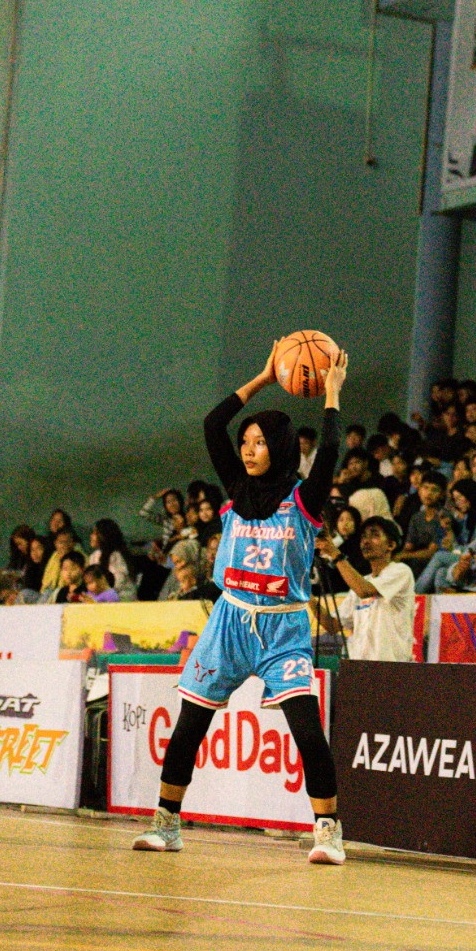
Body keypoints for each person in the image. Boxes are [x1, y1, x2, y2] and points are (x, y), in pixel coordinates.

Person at [132, 343, 349, 865]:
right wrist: (264, 378)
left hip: (282, 627)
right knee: (189, 725)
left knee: (306, 729)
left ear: (280, 446)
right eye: (245, 442)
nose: (248, 450)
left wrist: (332, 394)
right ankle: (167, 825)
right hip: (229, 620)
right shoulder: (234, 487)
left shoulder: (304, 498)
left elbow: (330, 450)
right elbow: (213, 425)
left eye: (259, 442)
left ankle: (328, 833)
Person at [318, 516, 415, 662]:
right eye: (363, 537)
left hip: (391, 668)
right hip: (358, 668)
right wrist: (305, 593)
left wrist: (335, 553)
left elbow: (364, 591)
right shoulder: (362, 582)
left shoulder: (401, 571)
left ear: (391, 545)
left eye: (374, 535)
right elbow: (332, 626)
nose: (366, 541)